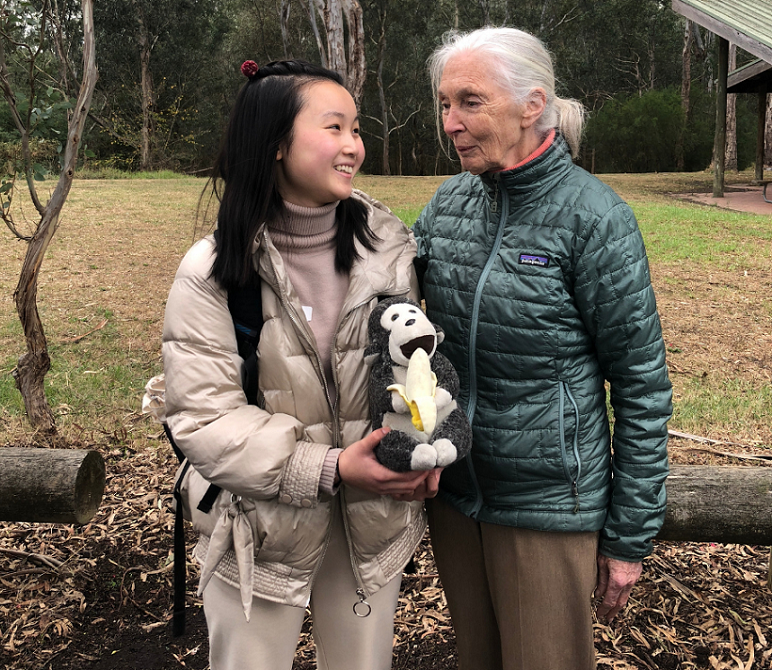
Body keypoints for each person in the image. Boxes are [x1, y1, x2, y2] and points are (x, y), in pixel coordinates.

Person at [161, 59, 439, 670]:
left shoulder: (388, 248)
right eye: (334, 127)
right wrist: (333, 466)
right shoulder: (213, 272)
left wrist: (421, 444)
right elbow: (204, 418)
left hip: (370, 522)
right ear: (276, 144)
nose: (354, 146)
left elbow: (408, 371)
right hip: (254, 526)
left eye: (357, 129)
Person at [412, 27, 673, 670]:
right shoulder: (445, 206)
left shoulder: (594, 218)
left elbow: (641, 382)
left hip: (547, 506)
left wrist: (630, 536)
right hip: (455, 493)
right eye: (445, 104)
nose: (451, 122)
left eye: (470, 101)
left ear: (532, 105)